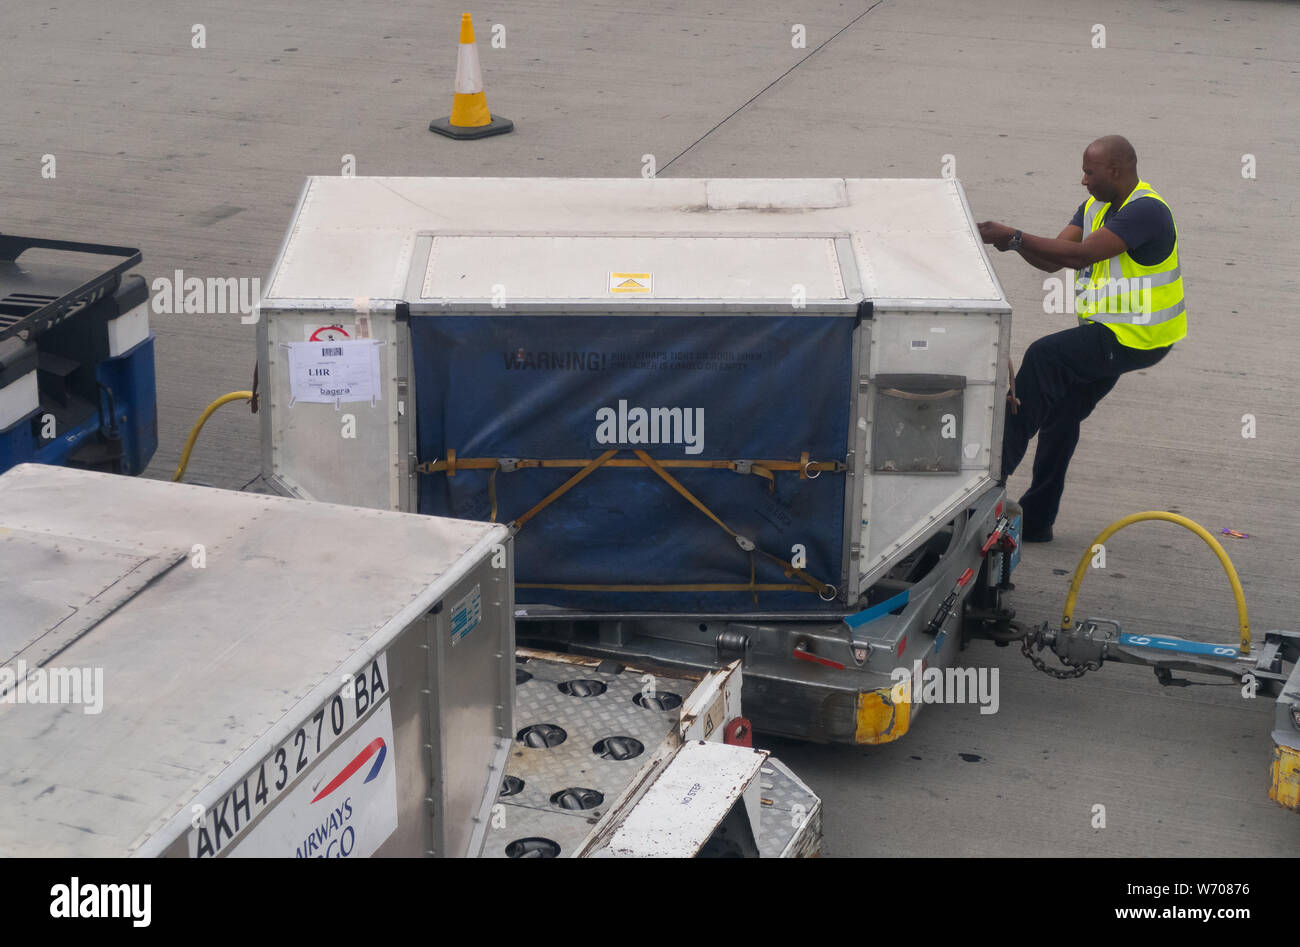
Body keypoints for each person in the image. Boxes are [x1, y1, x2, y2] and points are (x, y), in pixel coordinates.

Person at [978, 135, 1185, 542]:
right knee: (1062, 413)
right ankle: (1037, 520)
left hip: (1136, 337)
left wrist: (1016, 235)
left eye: (1089, 172)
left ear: (1115, 170)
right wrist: (1012, 243)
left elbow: (1081, 256)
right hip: (1109, 331)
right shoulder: (1095, 205)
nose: (1083, 180)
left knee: (1043, 357)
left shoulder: (1145, 211)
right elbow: (1055, 258)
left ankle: (988, 481)